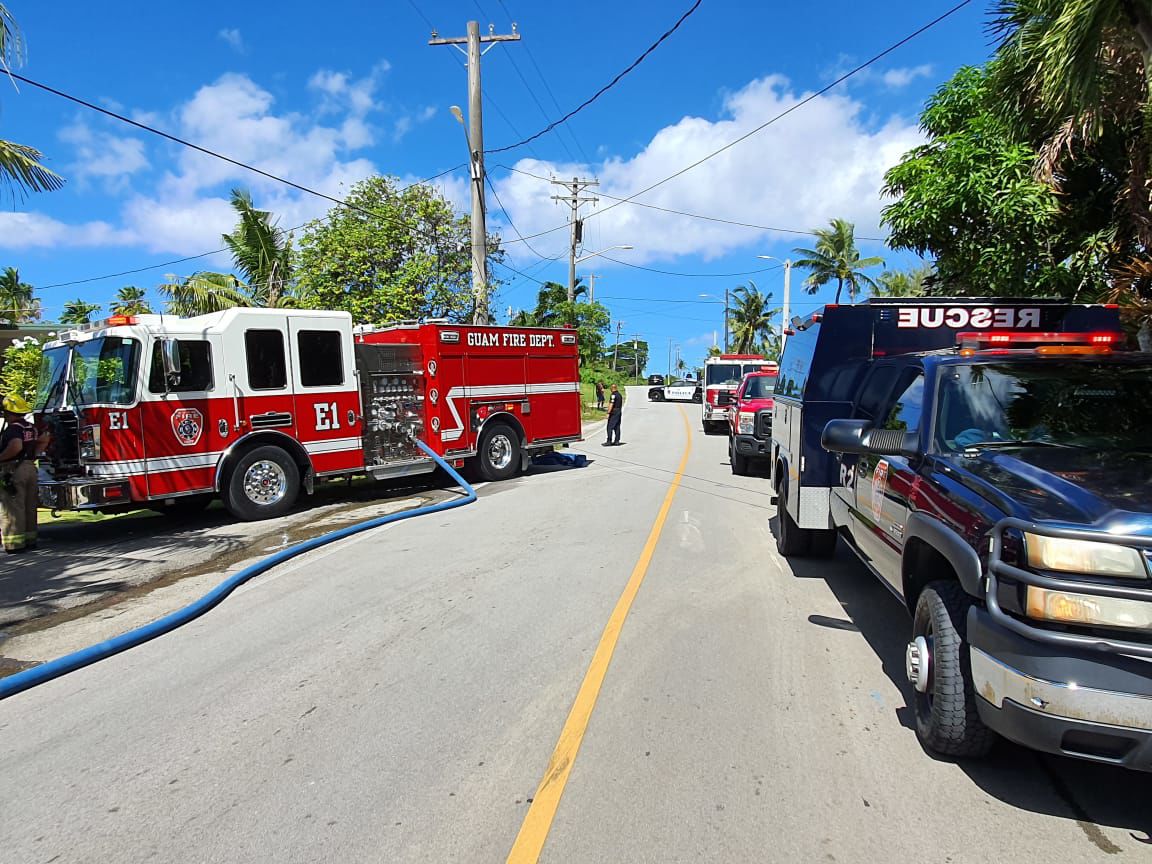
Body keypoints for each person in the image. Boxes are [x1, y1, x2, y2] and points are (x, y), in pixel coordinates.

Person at [0, 394, 40, 553]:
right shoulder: (31, 427)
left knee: (13, 507)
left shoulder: (14, 429)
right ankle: (31, 540)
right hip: (30, 467)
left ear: (9, 413)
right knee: (29, 506)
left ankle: (14, 544)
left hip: (13, 469)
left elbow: (16, 447)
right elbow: (44, 440)